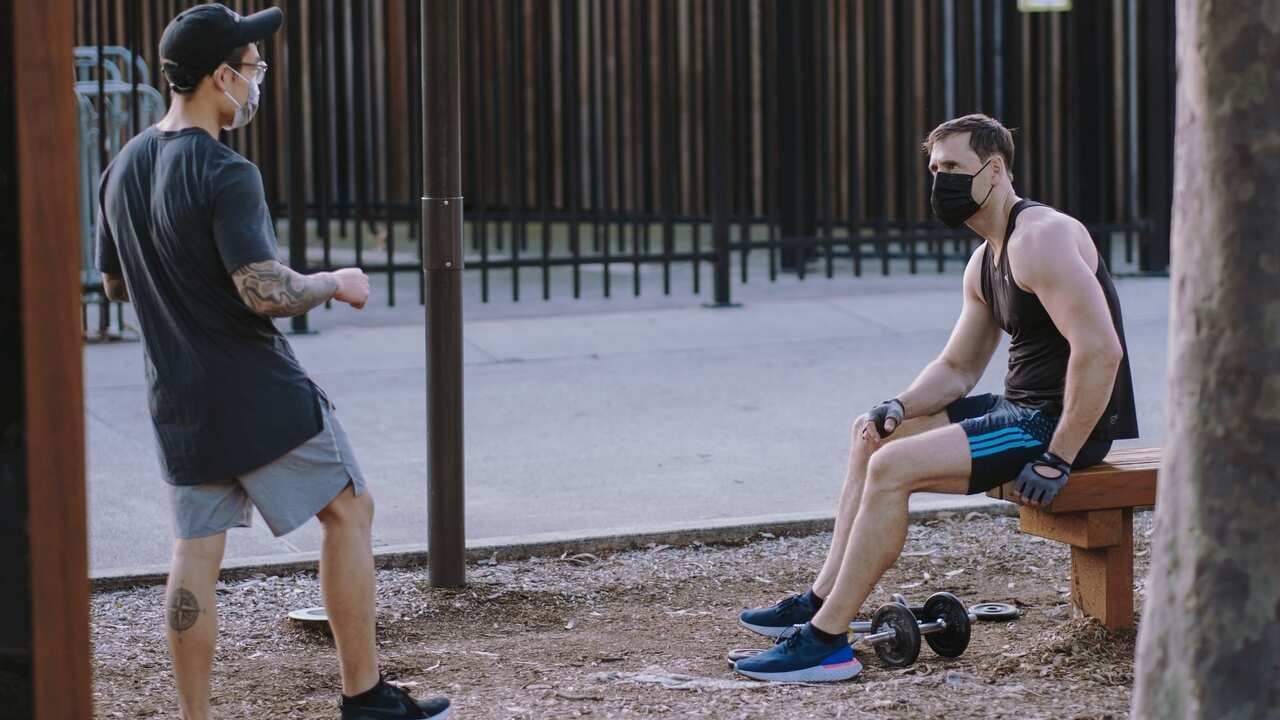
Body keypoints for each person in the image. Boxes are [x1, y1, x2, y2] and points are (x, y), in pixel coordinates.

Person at [94, 5, 450, 718]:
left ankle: (195, 716)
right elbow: (263, 290)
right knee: (350, 511)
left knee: (194, 553)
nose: (258, 82)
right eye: (253, 69)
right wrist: (335, 282)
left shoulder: (122, 166)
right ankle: (366, 698)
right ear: (221, 77)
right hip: (258, 391)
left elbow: (114, 283)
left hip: (180, 401)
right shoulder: (227, 172)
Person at [733, 113, 1139, 682]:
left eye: (953, 167)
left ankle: (827, 643)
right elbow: (956, 367)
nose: (940, 180)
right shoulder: (985, 259)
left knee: (895, 467)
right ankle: (821, 600)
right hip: (1018, 411)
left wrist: (1059, 457)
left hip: (1060, 427)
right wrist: (898, 405)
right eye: (935, 169)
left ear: (994, 170)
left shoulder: (1041, 238)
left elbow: (1101, 352)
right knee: (874, 437)